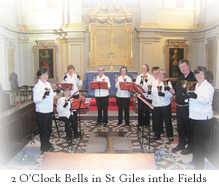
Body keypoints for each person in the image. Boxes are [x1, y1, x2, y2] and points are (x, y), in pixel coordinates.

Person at [187, 66, 214, 170]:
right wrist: (188, 98)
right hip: (194, 116)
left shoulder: (208, 86)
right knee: (194, 140)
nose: (198, 76)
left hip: (203, 117)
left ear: (204, 75)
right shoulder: (196, 85)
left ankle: (199, 168)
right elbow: (193, 99)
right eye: (197, 74)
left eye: (201, 74)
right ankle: (195, 160)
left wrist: (195, 96)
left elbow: (206, 100)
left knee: (198, 142)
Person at [170, 59, 197, 154]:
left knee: (189, 128)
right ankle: (181, 144)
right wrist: (169, 90)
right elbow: (176, 91)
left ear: (188, 66)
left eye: (184, 66)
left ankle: (190, 147)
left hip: (188, 107)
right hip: (179, 107)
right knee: (180, 127)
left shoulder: (194, 78)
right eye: (181, 67)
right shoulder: (180, 78)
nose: (182, 69)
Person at [33, 66, 60, 154]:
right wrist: (43, 96)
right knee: (43, 130)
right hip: (42, 111)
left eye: (46, 74)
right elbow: (35, 100)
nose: (45, 76)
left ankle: (47, 144)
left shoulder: (47, 84)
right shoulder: (37, 87)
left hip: (48, 110)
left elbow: (51, 95)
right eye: (43, 75)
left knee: (48, 129)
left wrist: (57, 92)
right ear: (39, 76)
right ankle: (44, 148)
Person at [149, 68, 174, 142]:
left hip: (165, 104)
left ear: (164, 75)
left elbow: (171, 94)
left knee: (167, 121)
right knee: (157, 121)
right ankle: (157, 135)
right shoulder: (153, 83)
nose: (160, 75)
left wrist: (164, 95)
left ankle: (170, 135)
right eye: (158, 73)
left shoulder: (167, 82)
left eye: (162, 74)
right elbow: (152, 94)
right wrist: (149, 95)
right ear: (156, 74)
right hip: (156, 104)